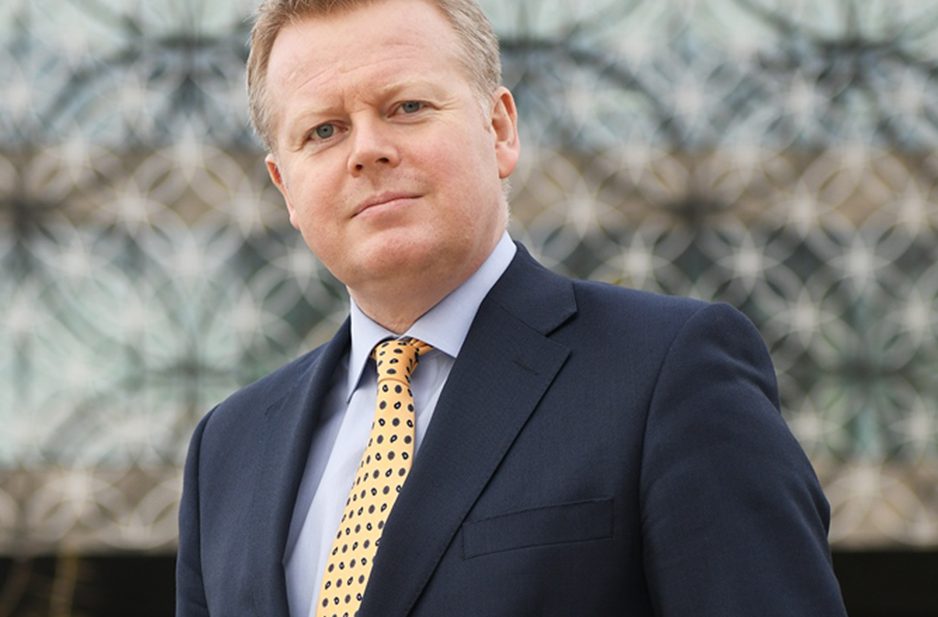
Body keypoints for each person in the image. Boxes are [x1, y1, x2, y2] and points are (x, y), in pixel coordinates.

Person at [176, 0, 849, 615]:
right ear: (285, 187)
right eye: (324, 130)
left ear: (499, 129)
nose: (367, 150)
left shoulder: (670, 373)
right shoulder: (227, 450)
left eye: (407, 107)